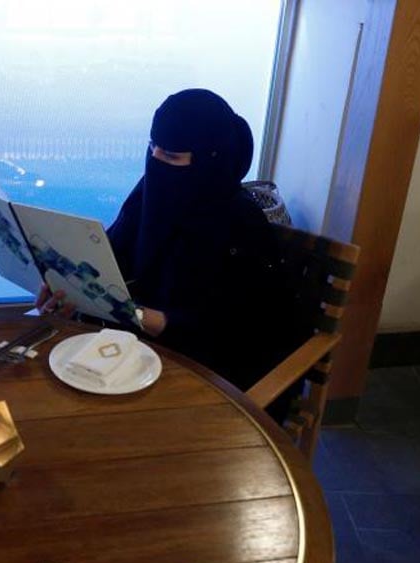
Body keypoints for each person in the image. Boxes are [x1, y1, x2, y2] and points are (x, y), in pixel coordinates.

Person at [38, 88, 300, 398]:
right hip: (133, 355)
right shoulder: (152, 192)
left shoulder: (241, 223)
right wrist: (74, 290)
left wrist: (156, 319)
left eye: (172, 156)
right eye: (153, 148)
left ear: (210, 160)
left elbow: (243, 328)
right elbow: (113, 256)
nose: (156, 161)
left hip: (212, 375)